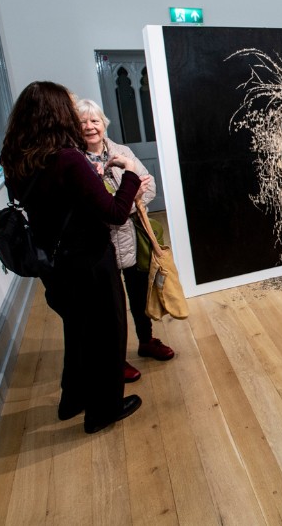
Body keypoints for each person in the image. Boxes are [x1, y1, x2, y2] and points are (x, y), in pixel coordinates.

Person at [0, 81, 144, 434]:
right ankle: (103, 411)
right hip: (90, 262)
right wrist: (130, 177)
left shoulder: (15, 159)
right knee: (107, 335)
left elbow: (52, 203)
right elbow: (114, 212)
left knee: (77, 331)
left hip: (54, 264)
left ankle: (72, 400)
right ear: (58, 114)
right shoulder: (67, 159)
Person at [76, 98, 174, 384]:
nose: (89, 127)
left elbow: (150, 185)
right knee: (109, 306)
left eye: (94, 120)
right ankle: (114, 360)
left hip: (131, 238)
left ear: (103, 124)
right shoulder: (77, 161)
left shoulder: (122, 152)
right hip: (100, 244)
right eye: (83, 122)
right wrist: (128, 197)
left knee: (139, 295)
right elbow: (94, 208)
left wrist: (122, 205)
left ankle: (146, 341)